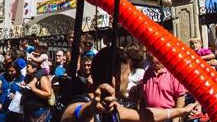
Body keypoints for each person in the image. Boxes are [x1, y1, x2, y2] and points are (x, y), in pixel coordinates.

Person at [60, 47, 198, 122]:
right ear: (115, 79)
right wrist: (89, 109)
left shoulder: (114, 107)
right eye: (127, 74)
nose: (129, 78)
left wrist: (181, 111)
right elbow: (72, 113)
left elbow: (145, 115)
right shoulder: (85, 102)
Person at [140, 54, 186, 122]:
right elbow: (142, 96)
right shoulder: (148, 71)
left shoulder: (172, 72)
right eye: (152, 62)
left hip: (167, 117)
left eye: (156, 62)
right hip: (149, 116)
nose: (150, 57)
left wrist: (175, 119)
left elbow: (180, 97)